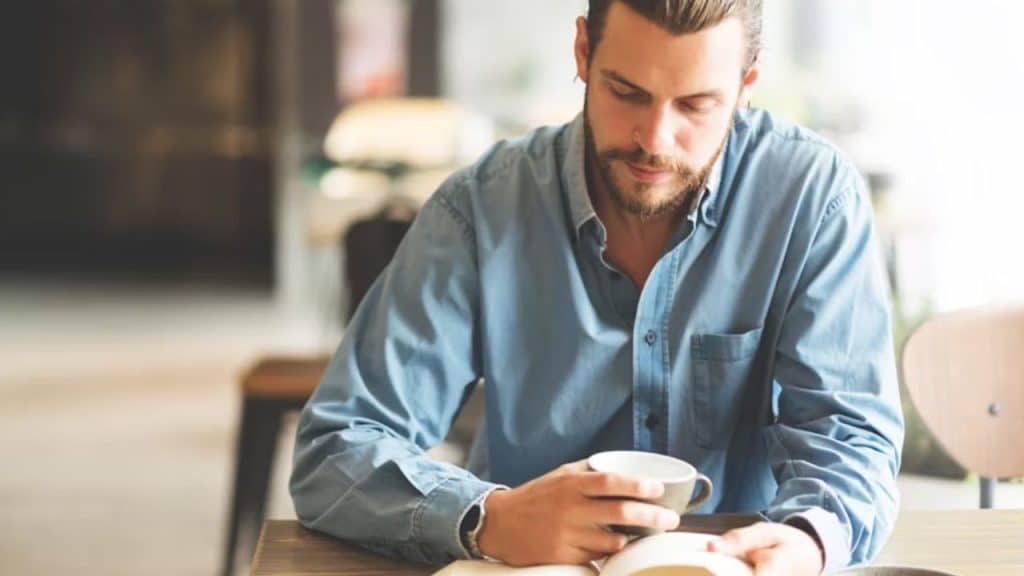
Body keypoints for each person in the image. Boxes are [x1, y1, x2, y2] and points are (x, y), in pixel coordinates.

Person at [289, 1, 904, 574]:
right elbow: (335, 450)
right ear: (583, 52)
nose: (655, 140)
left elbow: (850, 438)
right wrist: (488, 518)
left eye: (695, 105)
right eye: (627, 92)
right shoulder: (481, 209)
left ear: (746, 85)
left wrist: (808, 537)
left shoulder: (812, 200)